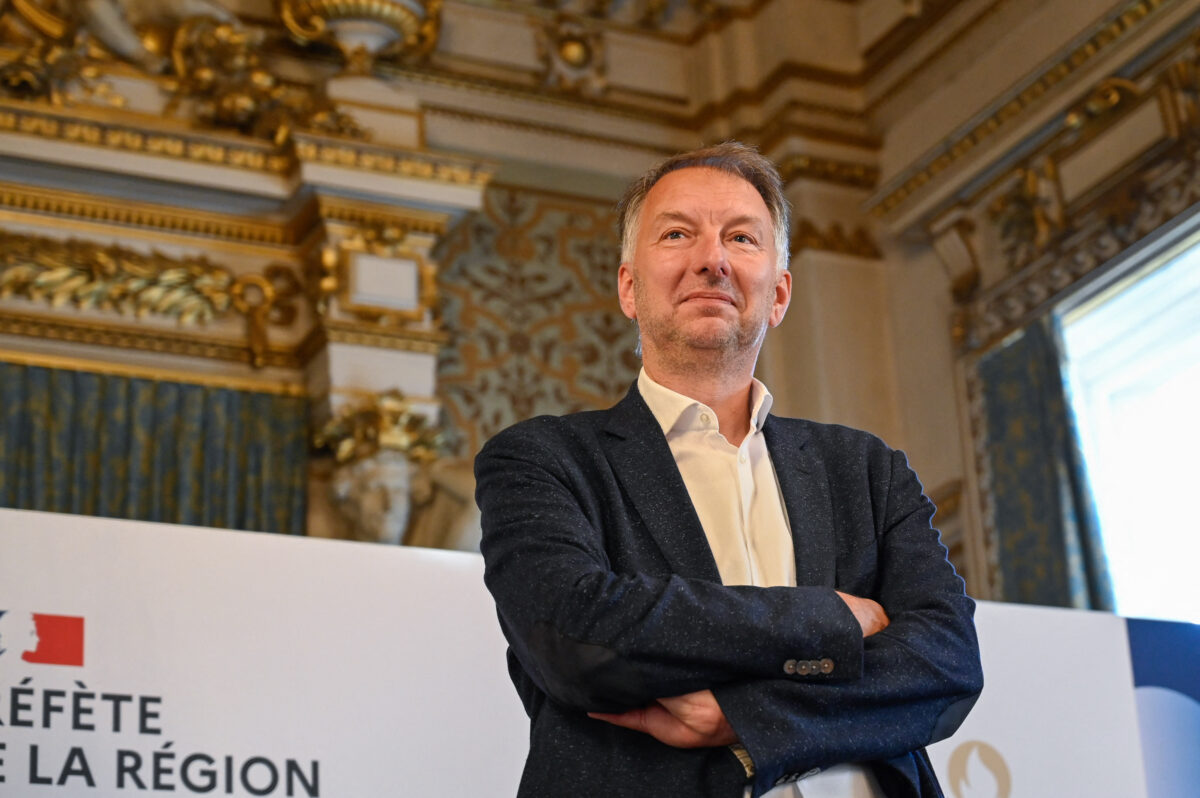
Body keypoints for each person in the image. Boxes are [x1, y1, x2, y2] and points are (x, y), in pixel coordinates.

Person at [475, 142, 983, 798]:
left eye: (742, 238)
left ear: (778, 292)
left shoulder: (867, 469)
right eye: (678, 233)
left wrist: (747, 718)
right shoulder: (543, 459)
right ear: (629, 286)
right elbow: (577, 638)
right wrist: (830, 619)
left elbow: (945, 663)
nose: (711, 259)